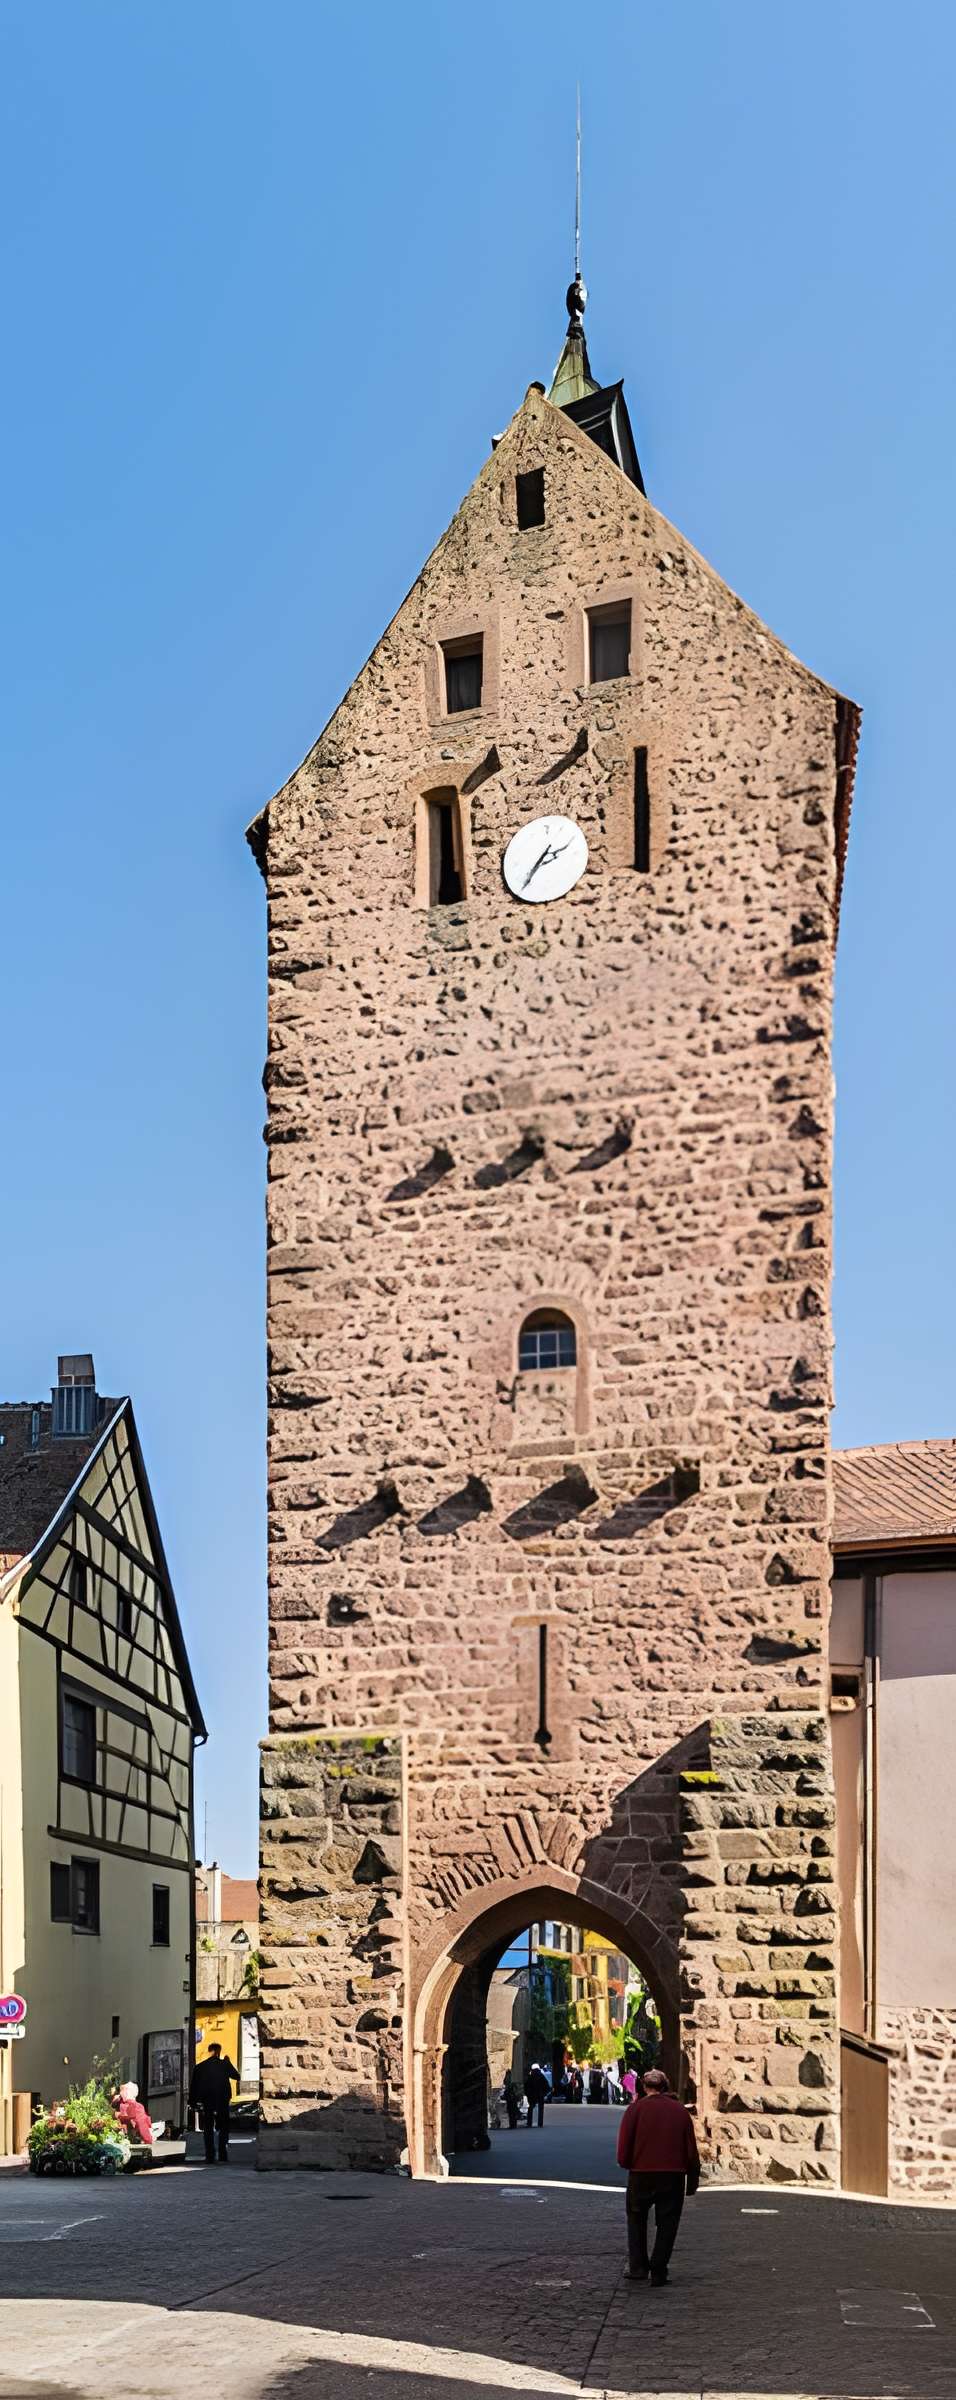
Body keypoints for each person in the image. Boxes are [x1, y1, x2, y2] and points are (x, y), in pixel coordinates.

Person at [616, 2067, 700, 2286]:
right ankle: (659, 2270)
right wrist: (692, 2180)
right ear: (665, 2086)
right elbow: (690, 2148)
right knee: (668, 2223)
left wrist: (626, 2162)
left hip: (641, 2173)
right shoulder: (679, 2111)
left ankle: (638, 2268)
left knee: (636, 2220)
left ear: (644, 2087)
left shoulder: (635, 2109)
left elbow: (625, 2143)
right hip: (672, 2175)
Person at [189, 2041, 240, 2164]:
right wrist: (228, 2062)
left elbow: (194, 2086)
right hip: (222, 2099)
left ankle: (210, 2155)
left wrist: (193, 2101)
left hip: (207, 2100)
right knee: (224, 2127)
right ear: (219, 2051)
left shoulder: (200, 2067)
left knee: (208, 2127)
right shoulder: (224, 2064)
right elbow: (237, 2076)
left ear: (209, 2051)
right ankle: (222, 2153)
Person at [524, 2062, 549, 2128]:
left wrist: (527, 2094)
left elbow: (526, 2086)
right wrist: (544, 2094)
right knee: (541, 2109)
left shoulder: (530, 2077)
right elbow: (547, 2086)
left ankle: (529, 2123)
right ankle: (540, 2123)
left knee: (530, 2108)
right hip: (540, 2095)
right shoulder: (541, 2076)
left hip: (532, 2095)